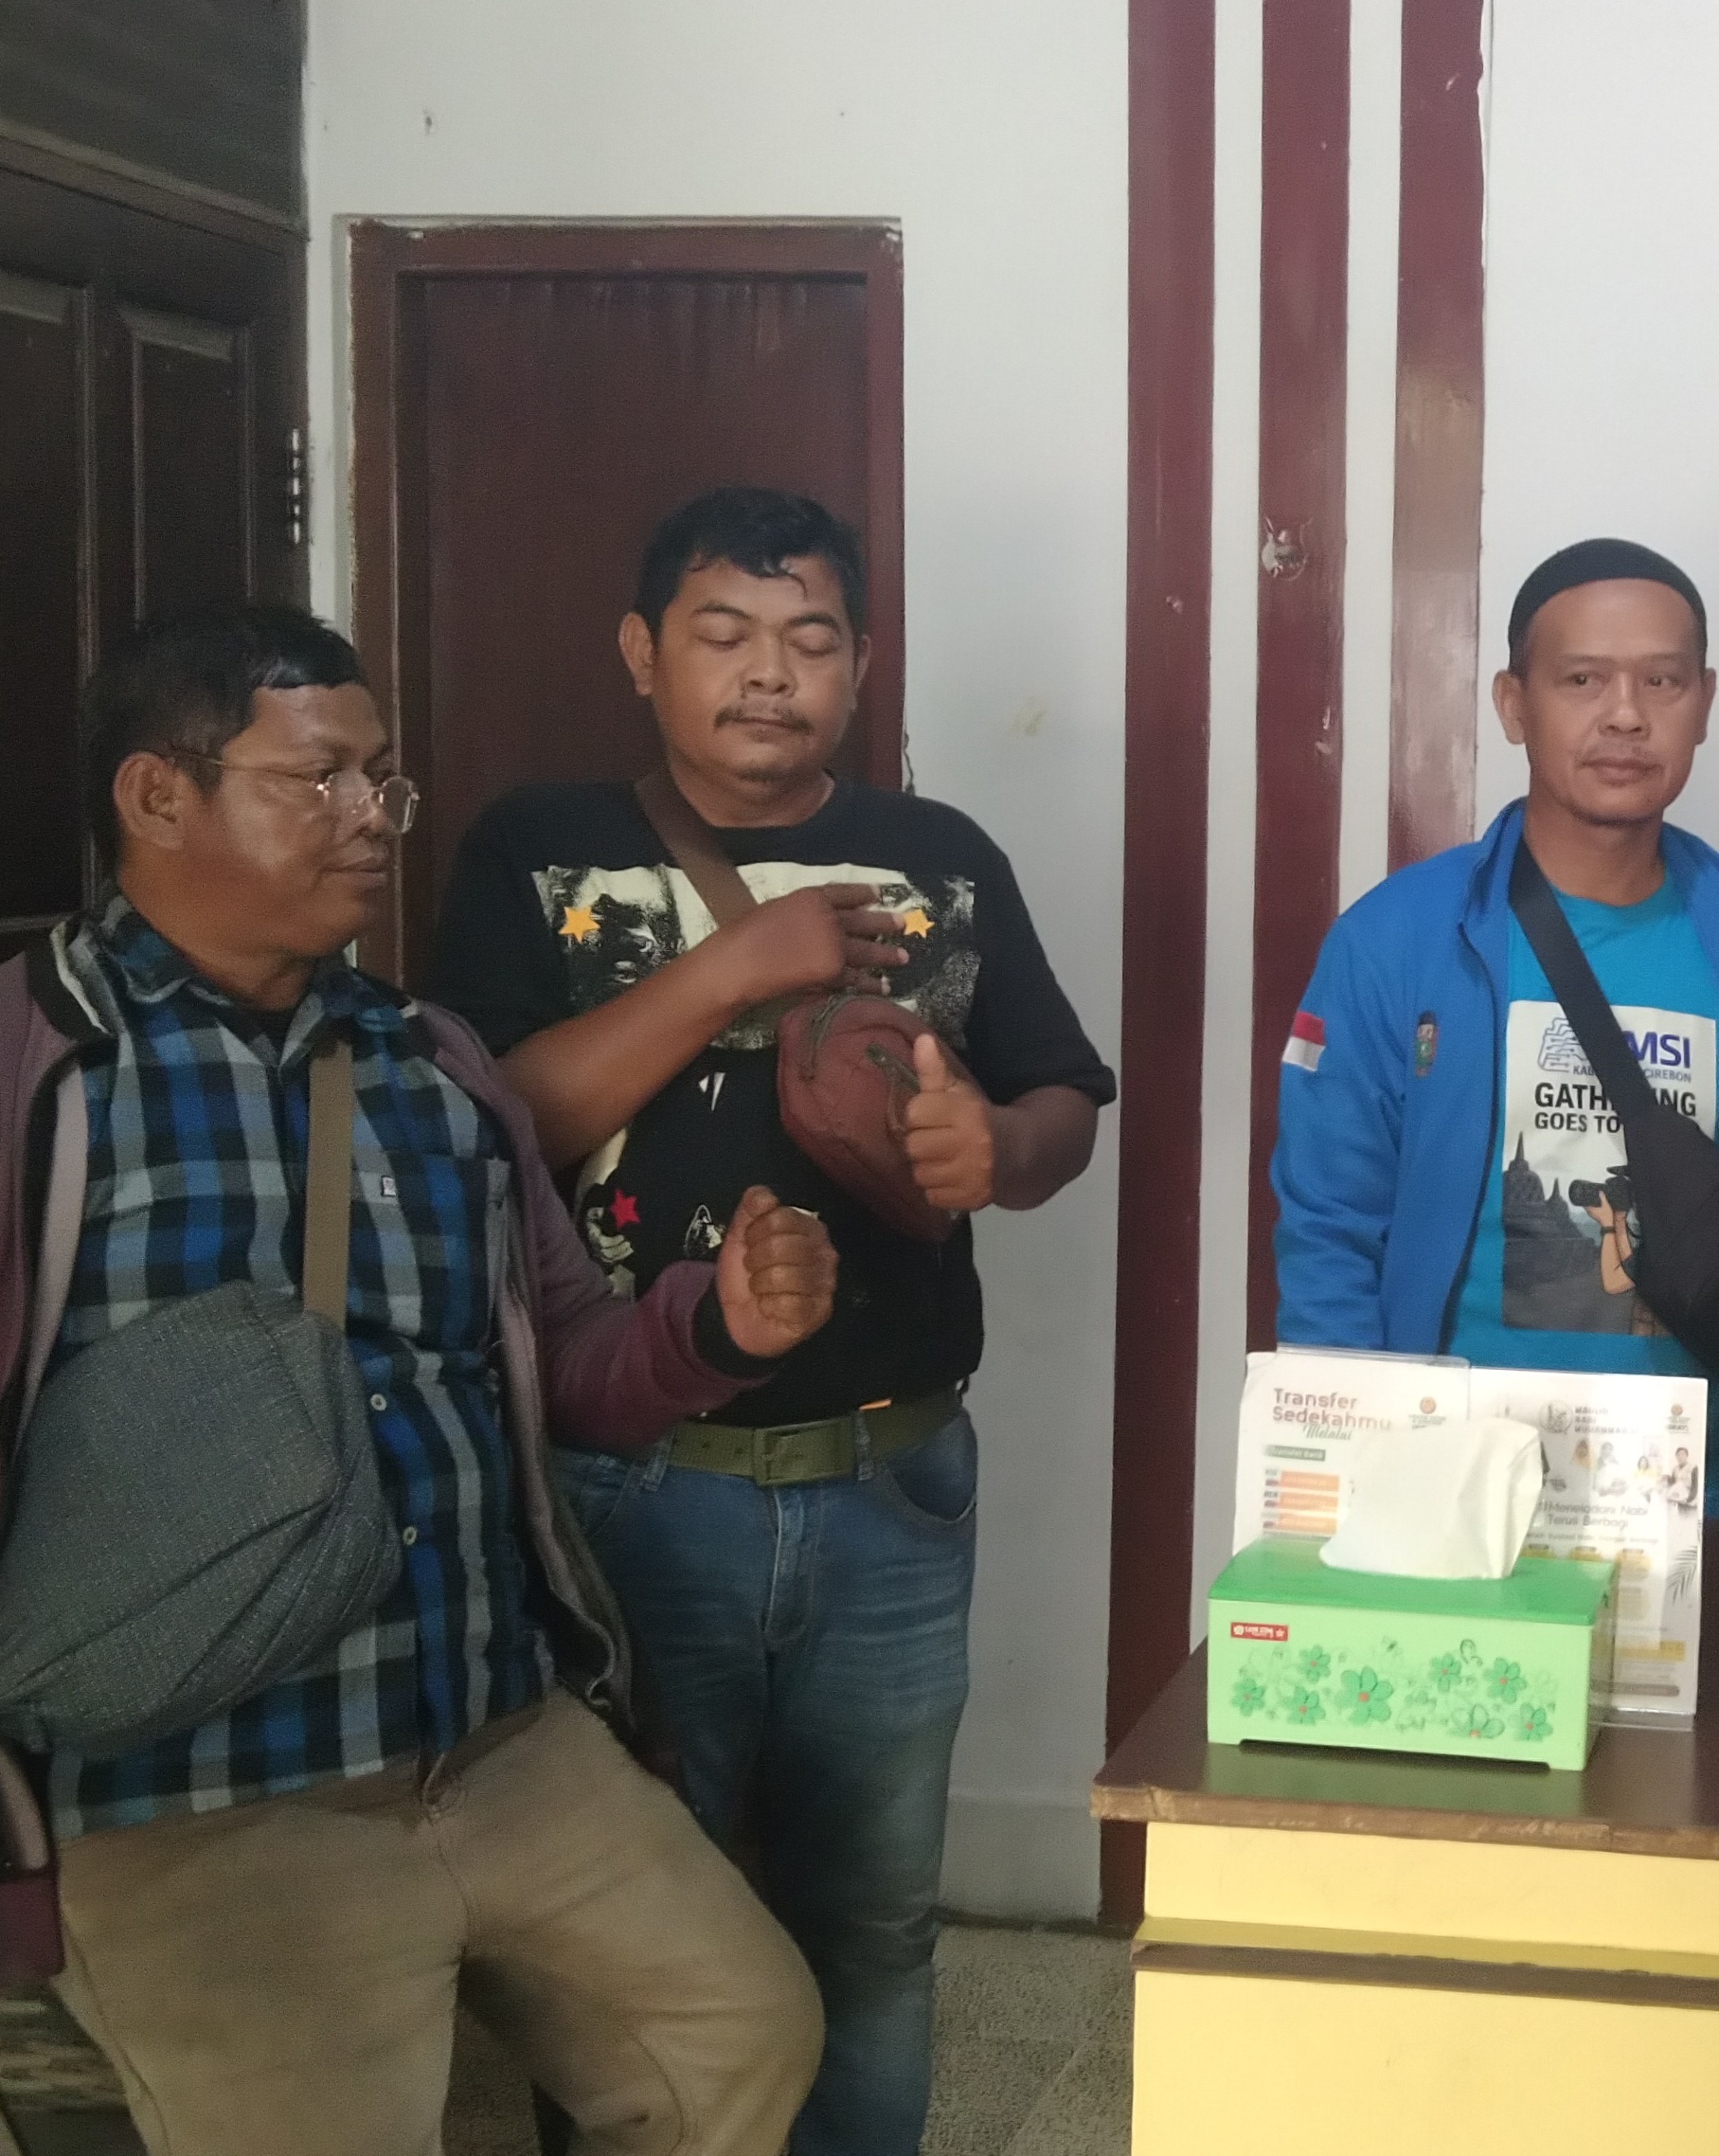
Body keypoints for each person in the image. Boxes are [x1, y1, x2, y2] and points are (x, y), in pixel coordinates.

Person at [0, 607, 831, 2154]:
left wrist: (711, 1329)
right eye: (318, 778)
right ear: (158, 795)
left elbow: (567, 1365)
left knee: (742, 2030)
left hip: (496, 1746)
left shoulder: (434, 1067)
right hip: (191, 1805)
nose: (373, 818)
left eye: (383, 780)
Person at [430, 487, 1114, 2156]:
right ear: (640, 652)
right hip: (629, 1483)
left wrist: (1002, 1149)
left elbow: (1060, 1100)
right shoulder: (538, 850)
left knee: (871, 1926)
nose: (767, 675)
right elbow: (496, 1114)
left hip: (893, 1481)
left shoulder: (942, 859)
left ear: (860, 664)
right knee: (623, 1952)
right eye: (723, 635)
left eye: (809, 641)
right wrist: (736, 972)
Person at [1271, 537, 1719, 1518]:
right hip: (1457, 1491)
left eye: (1662, 680)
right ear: (1512, 703)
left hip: (1699, 1493)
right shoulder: (1397, 939)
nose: (1625, 714)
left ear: (1705, 701)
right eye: (1582, 679)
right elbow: (1329, 1226)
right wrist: (1354, 1487)